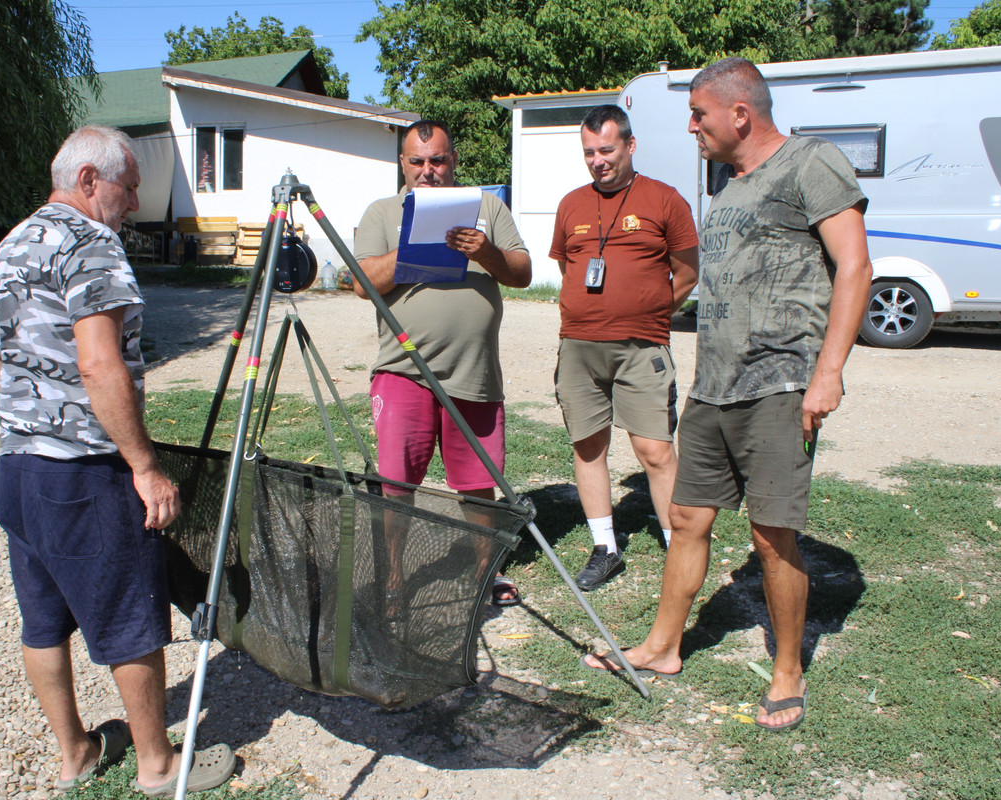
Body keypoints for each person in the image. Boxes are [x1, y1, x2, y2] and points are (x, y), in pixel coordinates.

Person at [580, 59, 872, 732]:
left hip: (780, 381)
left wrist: (828, 371)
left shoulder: (811, 162)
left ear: (740, 113)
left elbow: (855, 266)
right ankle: (663, 646)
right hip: (714, 386)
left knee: (771, 536)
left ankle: (788, 671)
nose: (692, 128)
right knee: (687, 518)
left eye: (699, 114)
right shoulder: (729, 185)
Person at [0, 125, 236, 794]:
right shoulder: (92, 243)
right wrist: (143, 466)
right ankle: (157, 765)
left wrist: (36, 411)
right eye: (129, 187)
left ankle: (77, 754)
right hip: (82, 474)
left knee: (42, 622)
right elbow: (98, 362)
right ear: (89, 180)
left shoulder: (14, 241)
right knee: (131, 614)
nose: (135, 203)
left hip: (19, 469)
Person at [352, 119, 532, 607]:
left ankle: (486, 573)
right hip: (403, 370)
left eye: (437, 160)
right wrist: (411, 248)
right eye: (417, 161)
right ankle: (392, 580)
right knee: (396, 484)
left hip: (474, 370)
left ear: (453, 160)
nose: (427, 170)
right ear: (403, 163)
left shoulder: (486, 207)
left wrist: (486, 251)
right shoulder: (382, 211)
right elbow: (362, 281)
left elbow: (522, 272)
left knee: (478, 482)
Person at [550, 105, 699, 591]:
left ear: (630, 146)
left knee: (654, 450)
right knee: (588, 445)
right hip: (579, 347)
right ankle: (605, 548)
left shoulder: (665, 200)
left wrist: (647, 313)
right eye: (589, 153)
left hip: (642, 348)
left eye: (607, 150)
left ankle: (679, 546)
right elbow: (567, 267)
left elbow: (688, 273)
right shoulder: (572, 204)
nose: (598, 161)